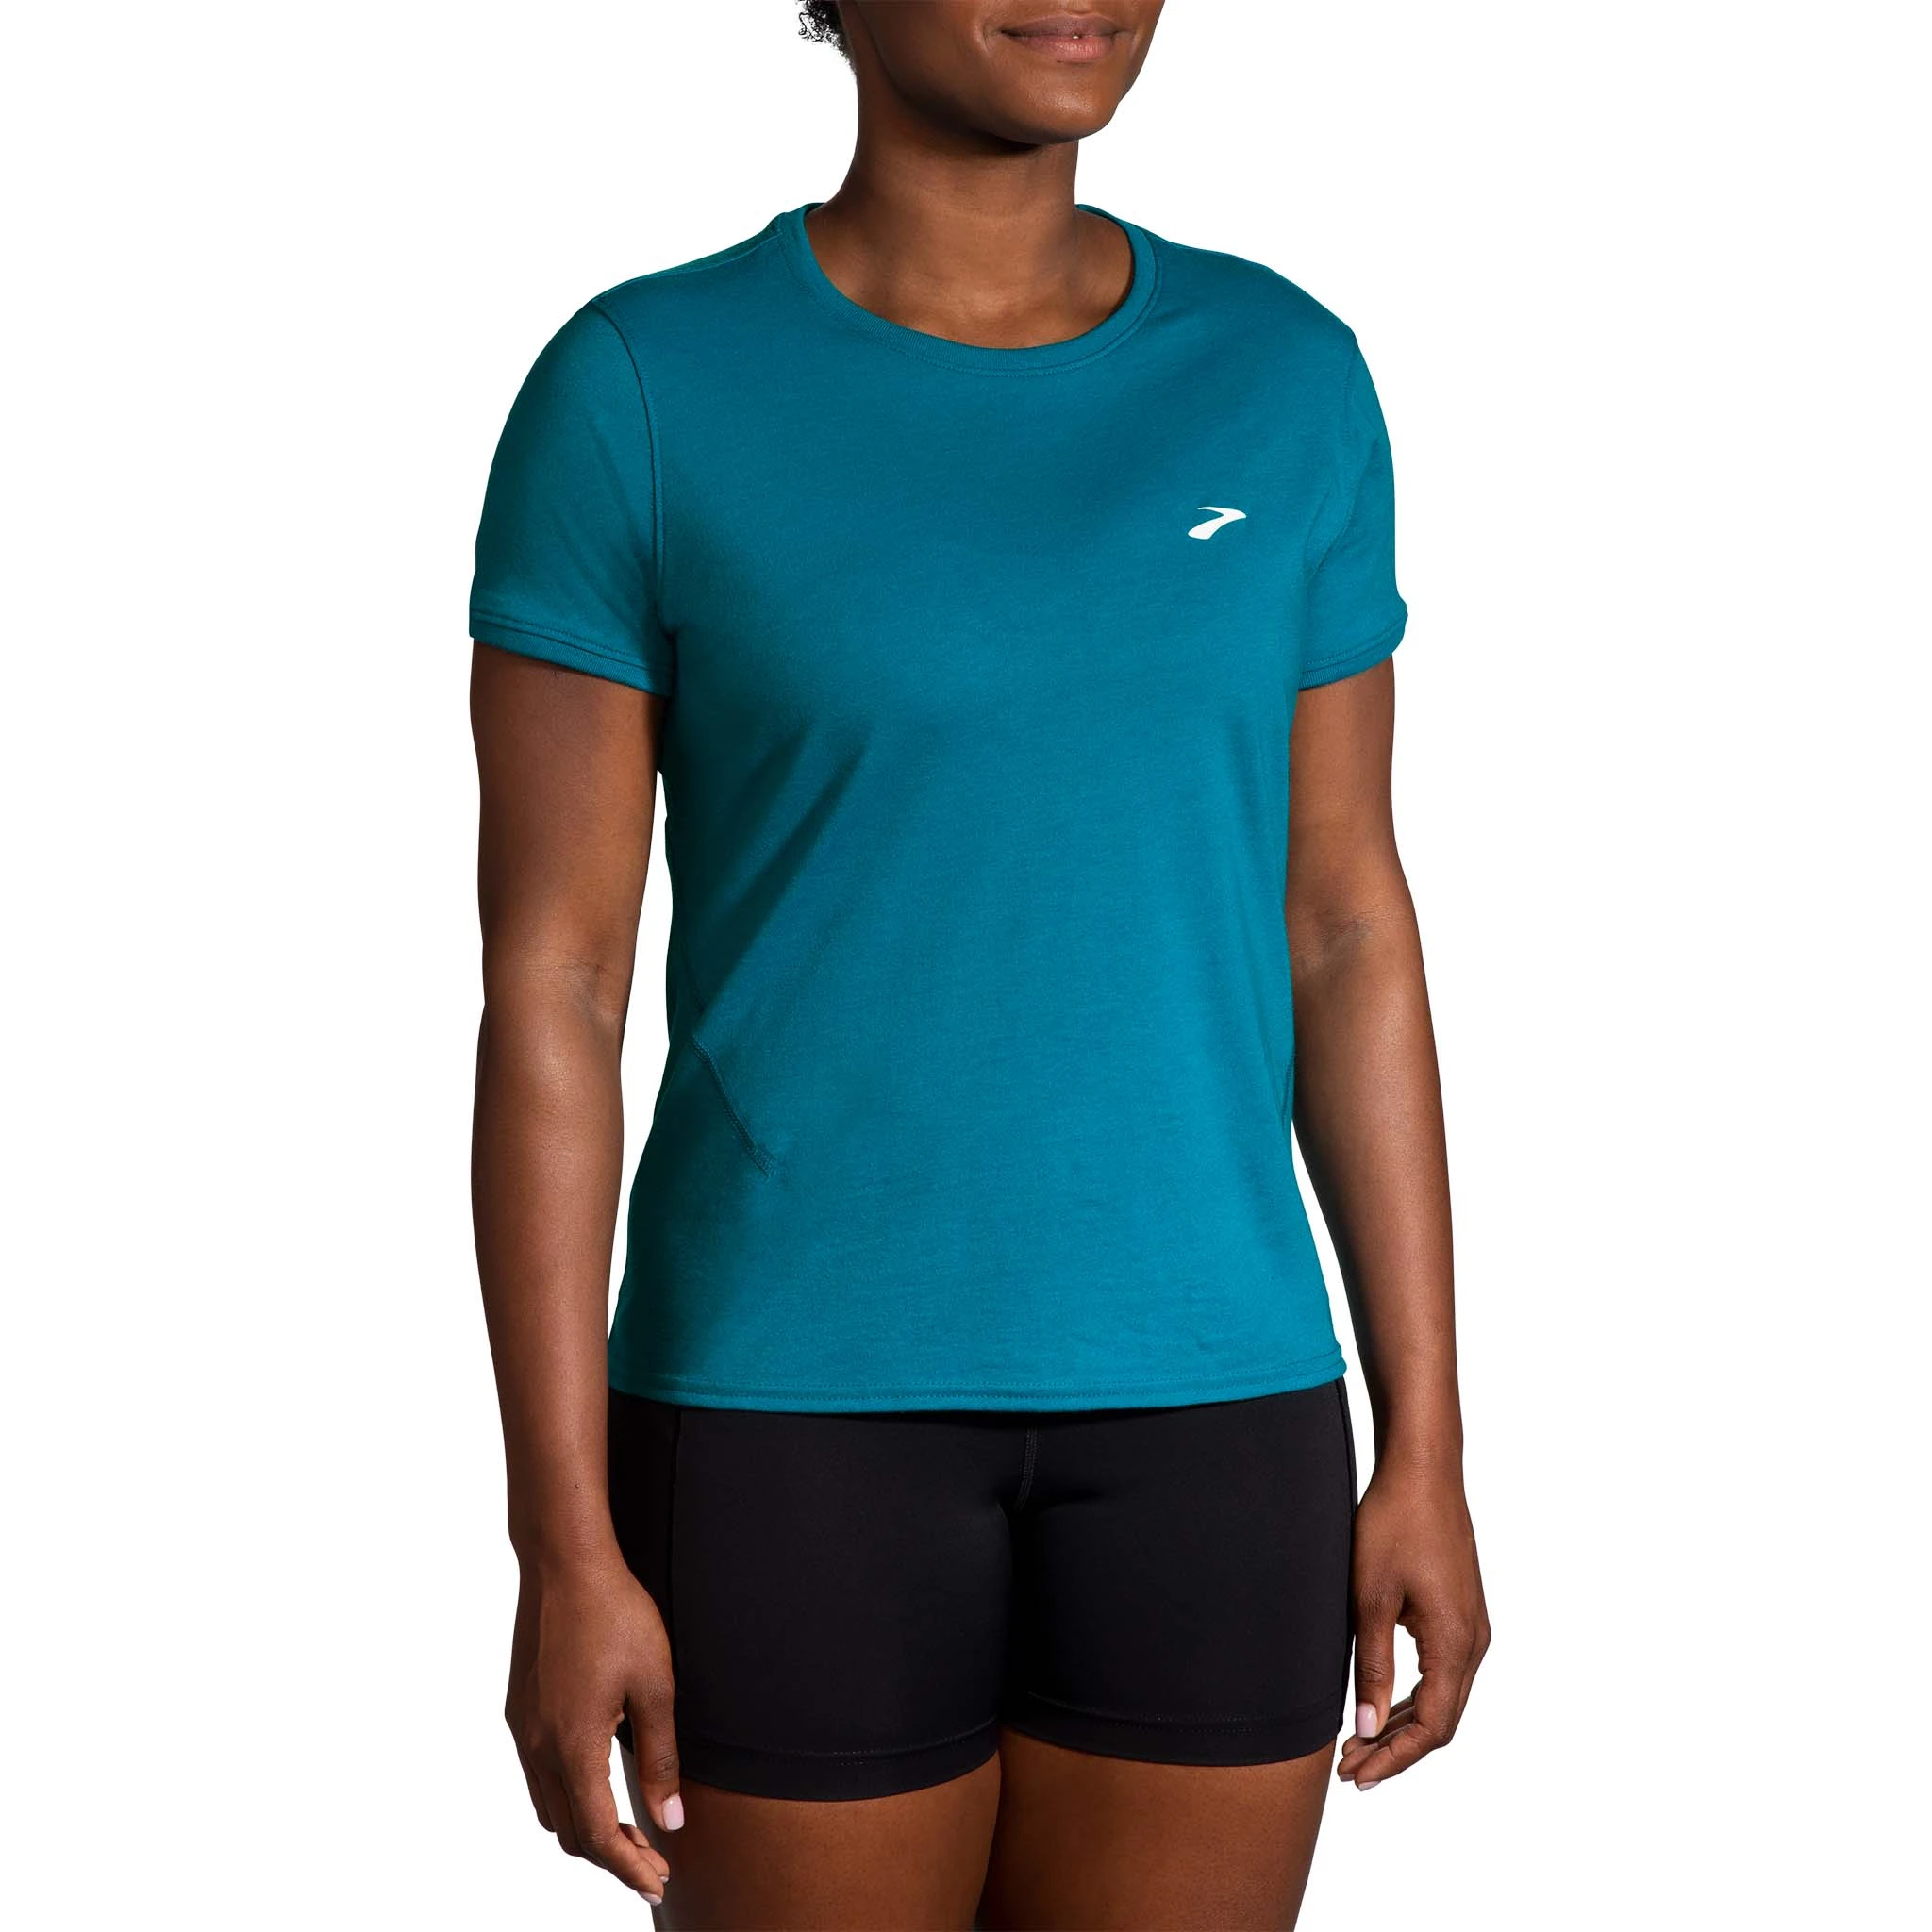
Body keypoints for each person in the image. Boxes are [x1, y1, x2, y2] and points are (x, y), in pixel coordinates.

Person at [467, 2, 1489, 1924]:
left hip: (1218, 1414)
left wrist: (1424, 1439)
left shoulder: (1282, 377)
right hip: (785, 1419)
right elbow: (555, 992)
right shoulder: (643, 390)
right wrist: (560, 1539)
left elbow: (1347, 923)